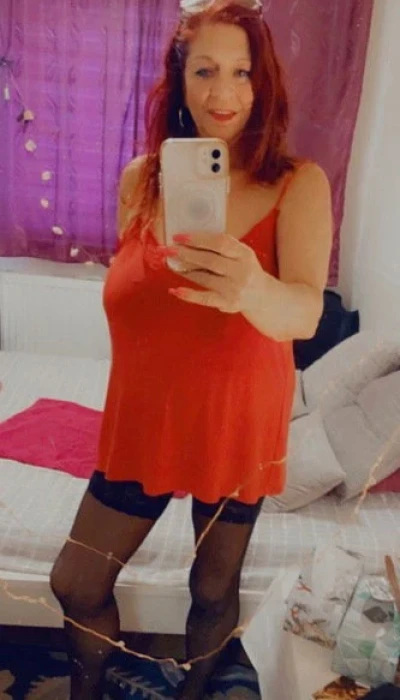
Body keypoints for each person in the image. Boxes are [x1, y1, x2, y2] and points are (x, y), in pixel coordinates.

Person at [50, 1, 333, 698]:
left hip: (237, 421)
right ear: (179, 80)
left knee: (212, 589)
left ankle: (196, 690)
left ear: (264, 83)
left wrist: (252, 288)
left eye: (242, 72)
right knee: (76, 582)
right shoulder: (139, 181)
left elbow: (305, 312)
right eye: (205, 71)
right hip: (142, 420)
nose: (223, 92)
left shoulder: (298, 184)